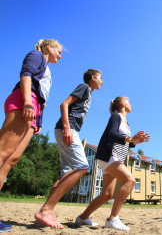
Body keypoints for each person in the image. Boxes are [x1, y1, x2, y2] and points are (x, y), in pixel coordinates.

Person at [0, 39, 62, 232]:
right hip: (23, 101)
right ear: (48, 48)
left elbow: (42, 98)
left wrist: (38, 123)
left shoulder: (49, 70)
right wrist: (27, 102)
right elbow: (26, 75)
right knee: (2, 153)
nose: (60, 54)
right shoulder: (36, 56)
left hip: (33, 110)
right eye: (58, 50)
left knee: (11, 159)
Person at [35, 69, 103, 229]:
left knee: (65, 175)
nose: (102, 81)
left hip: (67, 129)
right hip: (67, 129)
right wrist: (67, 127)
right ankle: (47, 209)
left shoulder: (90, 94)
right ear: (92, 78)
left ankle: (43, 213)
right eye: (100, 78)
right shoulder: (84, 87)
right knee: (82, 167)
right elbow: (64, 104)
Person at [75, 96, 150, 231]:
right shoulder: (116, 117)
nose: (131, 105)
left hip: (114, 158)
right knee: (130, 180)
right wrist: (130, 139)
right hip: (109, 156)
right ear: (122, 104)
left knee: (107, 194)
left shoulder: (126, 121)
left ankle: (82, 218)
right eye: (129, 102)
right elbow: (111, 135)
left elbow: (122, 141)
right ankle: (113, 218)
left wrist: (135, 142)